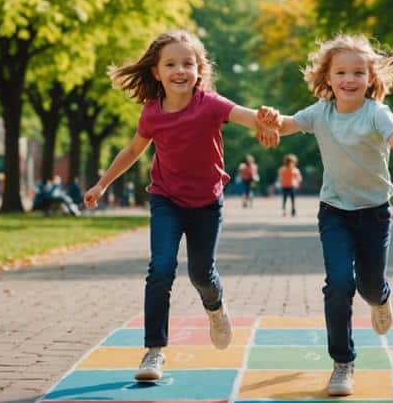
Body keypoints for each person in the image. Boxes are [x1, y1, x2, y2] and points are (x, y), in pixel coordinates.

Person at [84, 30, 278, 381]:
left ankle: (215, 307)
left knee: (201, 274)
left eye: (188, 63)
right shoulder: (152, 114)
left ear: (199, 69)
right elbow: (131, 152)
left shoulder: (211, 104)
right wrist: (102, 184)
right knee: (160, 268)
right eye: (170, 64)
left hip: (206, 203)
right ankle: (154, 351)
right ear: (156, 72)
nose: (180, 70)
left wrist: (267, 121)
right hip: (166, 199)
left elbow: (251, 117)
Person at [258, 34, 393, 397]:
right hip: (334, 212)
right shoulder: (320, 111)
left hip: (374, 213)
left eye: (358, 72)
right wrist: (272, 119)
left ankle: (381, 298)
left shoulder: (376, 113)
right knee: (338, 283)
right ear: (328, 77)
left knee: (369, 286)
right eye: (341, 72)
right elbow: (287, 125)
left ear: (370, 78)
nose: (349, 79)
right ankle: (342, 362)